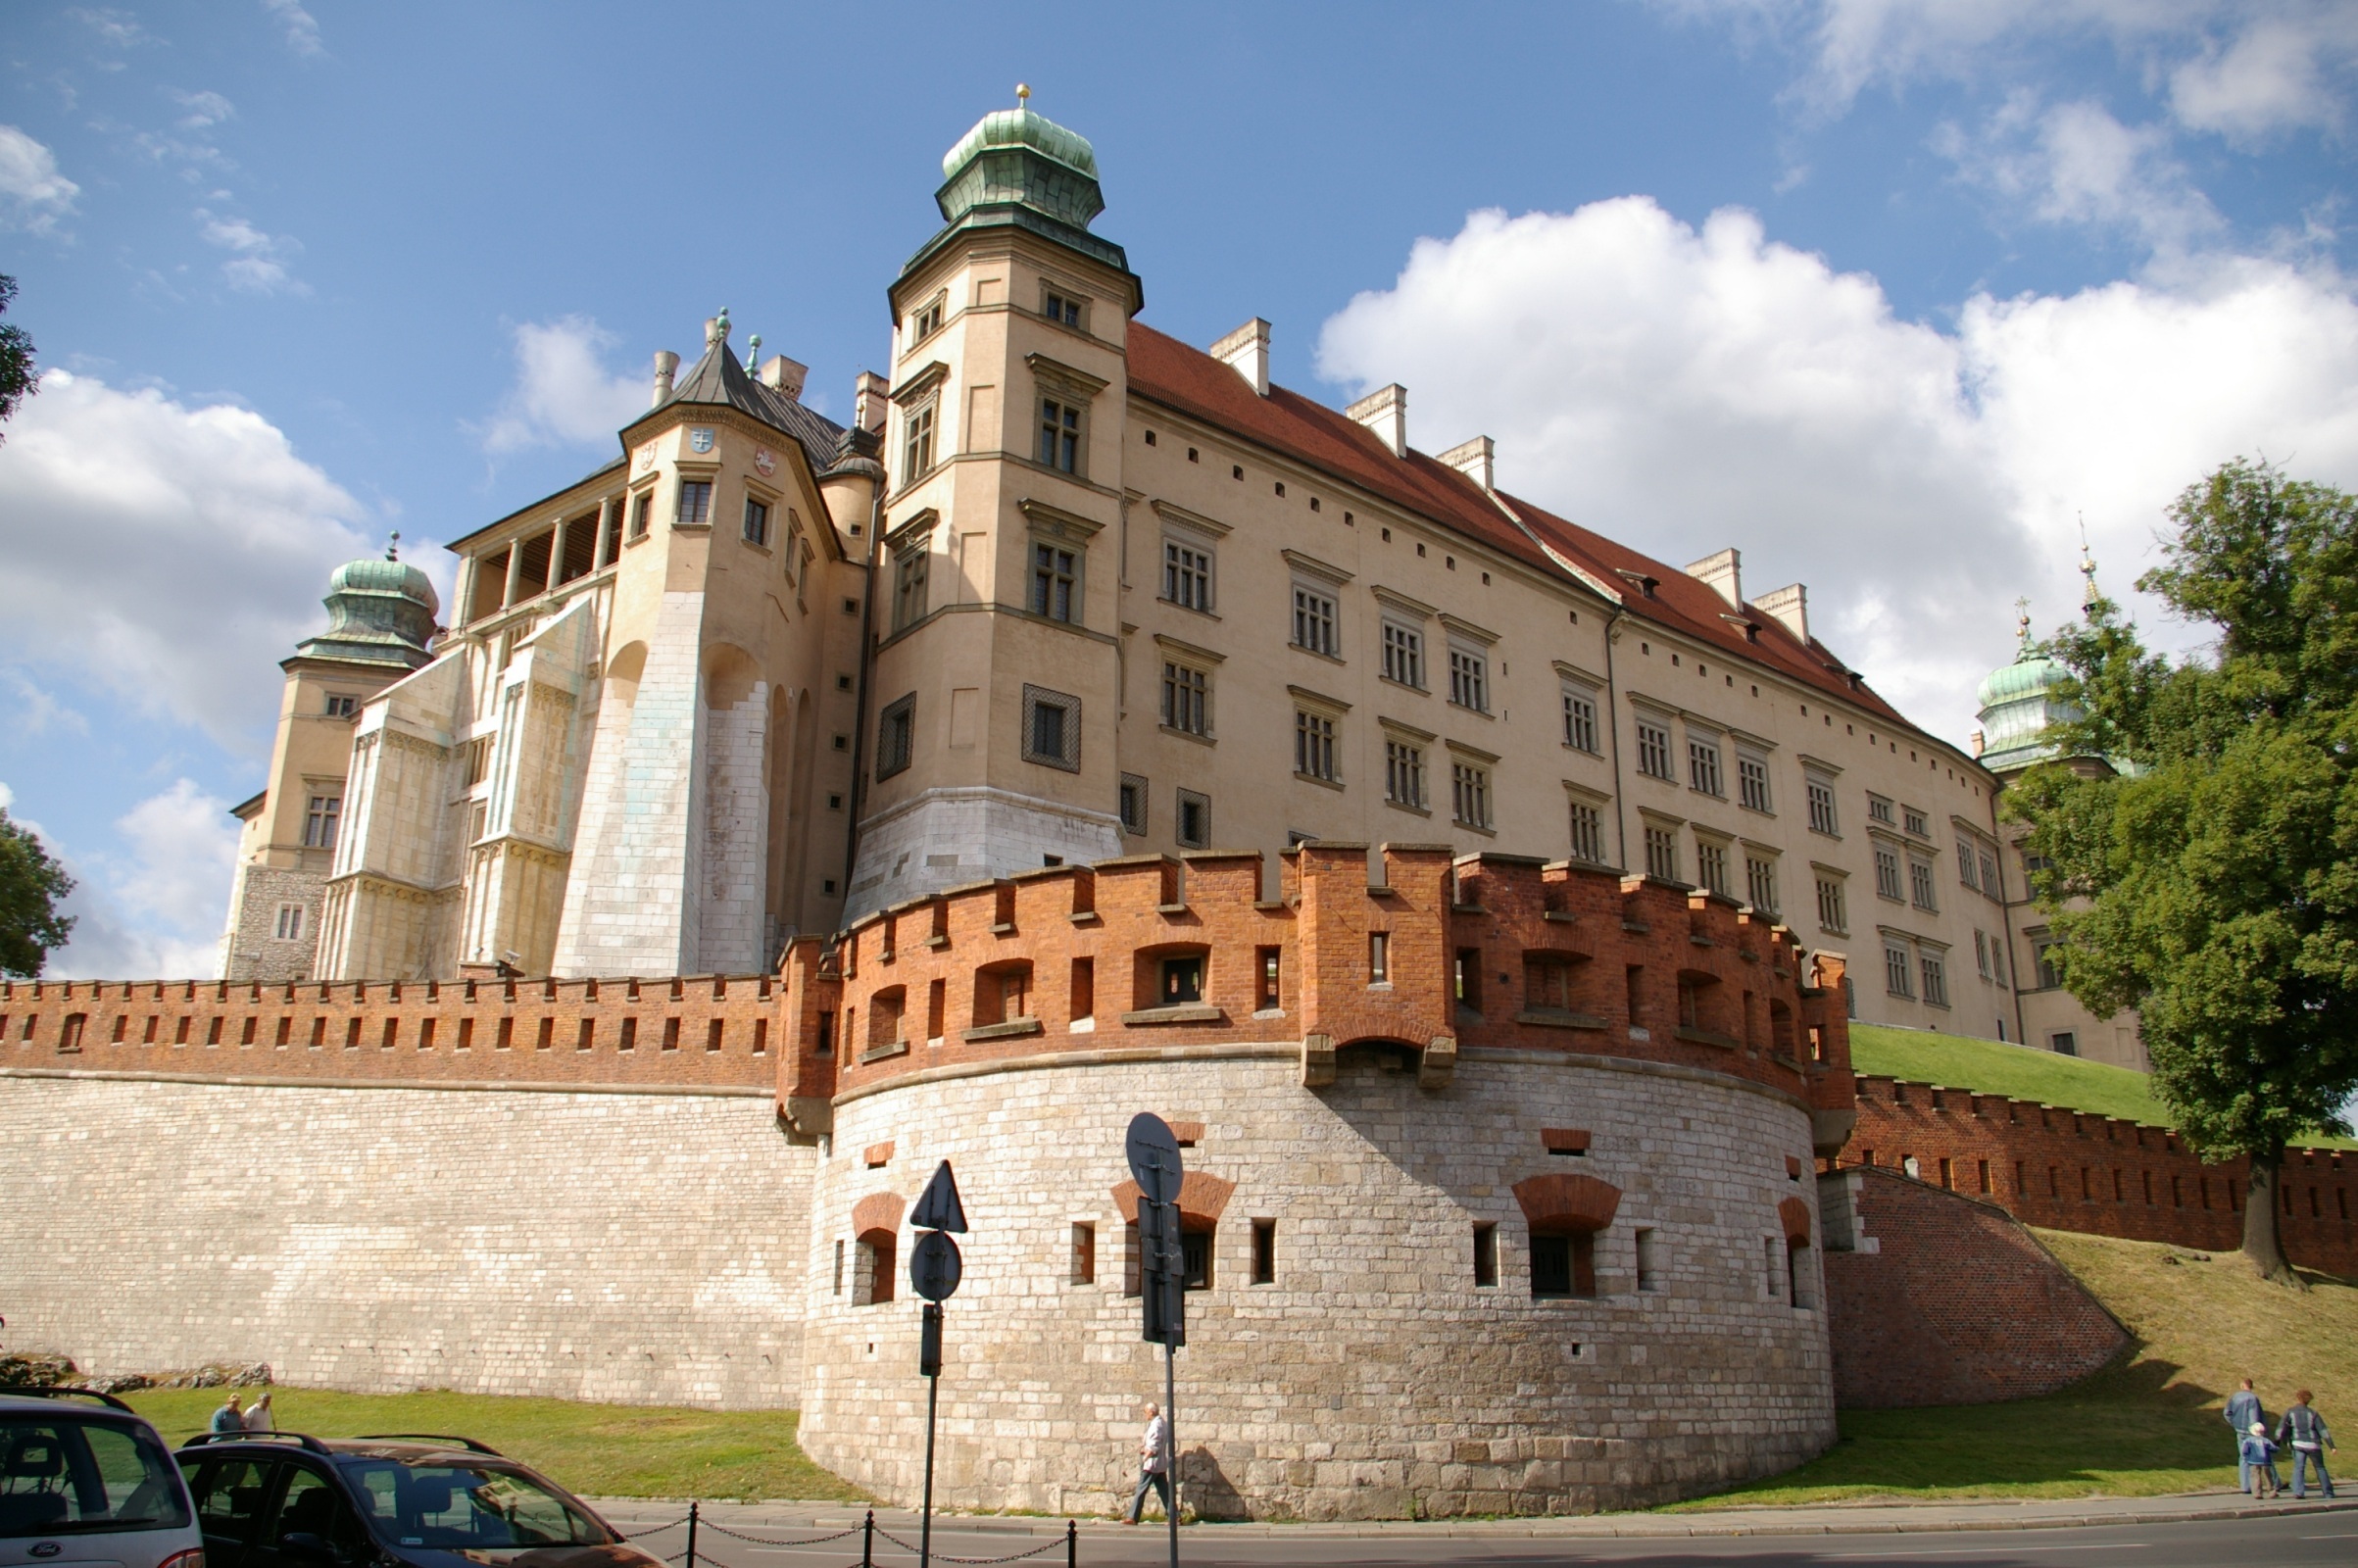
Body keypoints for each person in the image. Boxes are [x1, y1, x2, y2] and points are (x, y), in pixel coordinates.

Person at [2277, 1391, 2335, 1499]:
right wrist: (2332, 1446)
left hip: (2298, 1443)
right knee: (2320, 1468)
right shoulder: (2313, 1413)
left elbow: (2281, 1428)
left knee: (2299, 1467)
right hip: (2313, 1444)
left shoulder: (2290, 1412)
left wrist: (2277, 1441)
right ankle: (2328, 1493)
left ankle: (2298, 1492)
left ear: (2298, 1398)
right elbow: (2323, 1431)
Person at [1123, 1402, 1171, 1525]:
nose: (1145, 1414)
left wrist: (1145, 1457)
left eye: (1146, 1412)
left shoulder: (1157, 1425)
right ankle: (1175, 1516)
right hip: (1158, 1464)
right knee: (1164, 1491)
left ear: (1151, 1412)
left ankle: (1133, 1517)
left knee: (1141, 1489)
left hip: (1152, 1464)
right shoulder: (1160, 1423)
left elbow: (1154, 1445)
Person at [2227, 1378, 2267, 1494]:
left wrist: (2234, 1423)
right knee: (2262, 1457)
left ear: (2242, 1385)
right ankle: (2271, 1483)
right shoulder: (2253, 1399)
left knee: (2243, 1457)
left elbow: (2227, 1413)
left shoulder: (2234, 1397)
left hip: (2240, 1431)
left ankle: (2245, 1486)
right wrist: (2260, 1430)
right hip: (2251, 1431)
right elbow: (2254, 1416)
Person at [2242, 1422, 2284, 1498]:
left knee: (2255, 1477)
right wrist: (2277, 1446)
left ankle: (2257, 1493)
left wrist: (2246, 1458)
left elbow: (2245, 1451)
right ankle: (2271, 1491)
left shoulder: (2248, 1441)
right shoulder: (2266, 1440)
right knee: (2268, 1476)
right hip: (2266, 1461)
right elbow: (2273, 1449)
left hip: (2253, 1461)